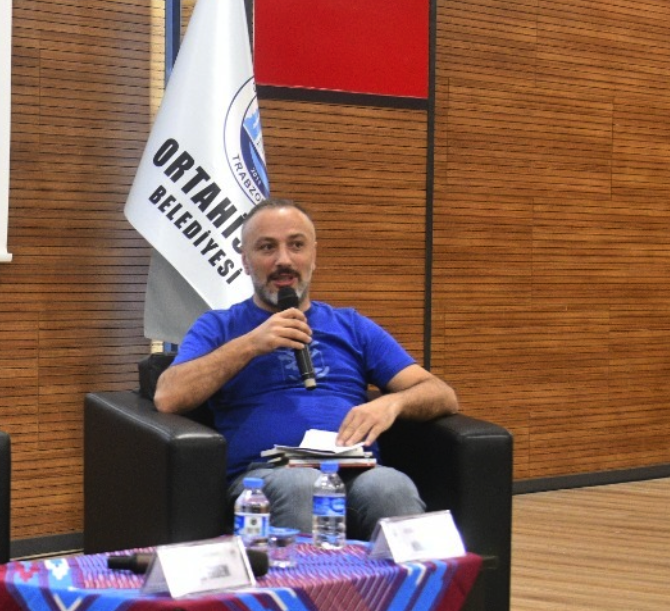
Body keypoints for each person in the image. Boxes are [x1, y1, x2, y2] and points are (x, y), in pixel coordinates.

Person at [154, 198, 459, 540]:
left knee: (392, 487)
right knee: (301, 484)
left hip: (355, 470)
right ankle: (301, 578)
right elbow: (168, 396)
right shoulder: (220, 326)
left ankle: (409, 579)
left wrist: (393, 403)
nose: (283, 260)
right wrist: (251, 344)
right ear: (246, 262)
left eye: (296, 245)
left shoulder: (351, 325)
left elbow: (442, 394)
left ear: (314, 256)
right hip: (266, 477)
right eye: (267, 247)